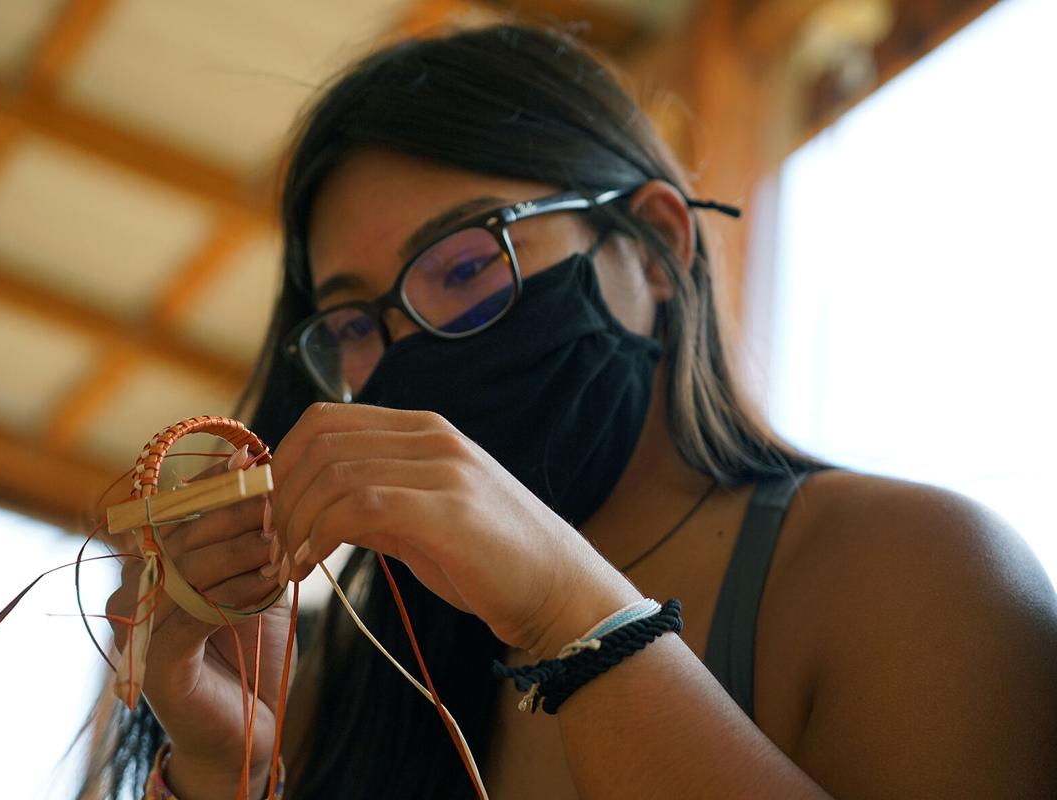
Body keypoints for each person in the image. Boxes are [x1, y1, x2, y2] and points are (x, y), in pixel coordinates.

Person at [83, 23, 1057, 800]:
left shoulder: (906, 570)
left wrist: (572, 614)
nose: (413, 347)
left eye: (465, 265)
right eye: (354, 321)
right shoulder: (344, 676)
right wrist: (223, 772)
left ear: (658, 246)